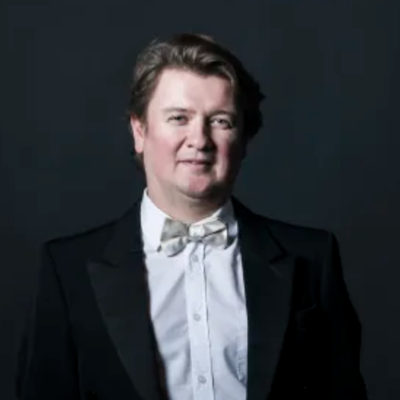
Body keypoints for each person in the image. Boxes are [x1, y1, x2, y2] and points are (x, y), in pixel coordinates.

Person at [15, 33, 368, 400]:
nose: (199, 139)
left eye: (220, 121)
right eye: (179, 118)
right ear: (139, 130)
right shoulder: (67, 272)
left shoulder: (312, 259)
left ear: (244, 140)